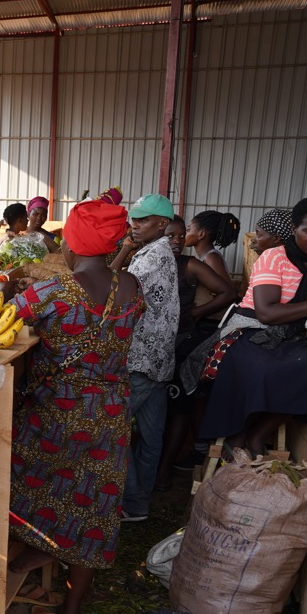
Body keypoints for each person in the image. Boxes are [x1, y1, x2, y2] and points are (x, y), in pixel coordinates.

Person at [6, 199, 142, 614]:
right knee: (96, 508)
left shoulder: (54, 291)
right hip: (111, 413)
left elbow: (7, 321)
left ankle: (35, 551)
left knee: (19, 478)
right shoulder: (132, 286)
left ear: (70, 243)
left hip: (55, 413)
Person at [182, 196, 307, 455]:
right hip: (251, 328)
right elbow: (266, 313)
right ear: (294, 229)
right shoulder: (274, 258)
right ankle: (237, 433)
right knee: (260, 368)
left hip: (290, 335)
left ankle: (258, 435)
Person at [154, 216, 236, 492]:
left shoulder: (190, 265)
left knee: (178, 409)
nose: (176, 241)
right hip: (152, 348)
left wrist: (194, 313)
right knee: (157, 409)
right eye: (169, 236)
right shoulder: (147, 263)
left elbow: (228, 292)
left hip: (183, 344)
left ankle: (163, 473)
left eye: (181, 235)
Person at [112, 193, 179, 523]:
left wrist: (123, 250)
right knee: (151, 436)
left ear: (162, 223)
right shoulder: (161, 251)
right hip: (161, 360)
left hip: (140, 360)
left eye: (143, 220)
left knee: (112, 430)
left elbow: (109, 289)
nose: (134, 225)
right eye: (134, 219)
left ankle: (132, 500)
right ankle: (139, 506)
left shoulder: (147, 260)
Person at [186, 210, 241, 284]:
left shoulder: (211, 259)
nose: (184, 233)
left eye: (188, 230)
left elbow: (229, 291)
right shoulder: (207, 257)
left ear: (201, 234)